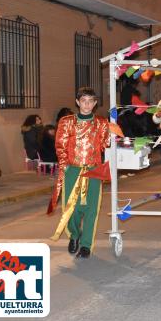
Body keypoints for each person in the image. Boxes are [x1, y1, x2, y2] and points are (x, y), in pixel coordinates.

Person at [50, 87, 110, 258]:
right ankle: (75, 235)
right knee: (72, 209)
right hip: (73, 169)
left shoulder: (101, 122)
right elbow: (60, 146)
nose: (87, 104)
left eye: (91, 101)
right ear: (77, 102)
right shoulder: (66, 121)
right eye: (84, 100)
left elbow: (105, 144)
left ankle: (86, 245)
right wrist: (65, 166)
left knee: (91, 209)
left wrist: (112, 132)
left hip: (94, 169)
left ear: (95, 103)